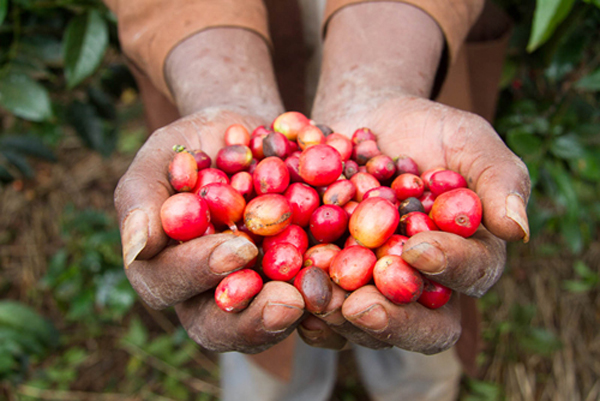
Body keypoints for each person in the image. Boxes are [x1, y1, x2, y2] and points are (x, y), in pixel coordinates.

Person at [106, 0, 531, 399]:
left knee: (420, 331)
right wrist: (222, 91)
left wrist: (381, 80)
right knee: (265, 344)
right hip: (215, 49)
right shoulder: (258, 199)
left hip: (406, 41)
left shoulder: (366, 194)